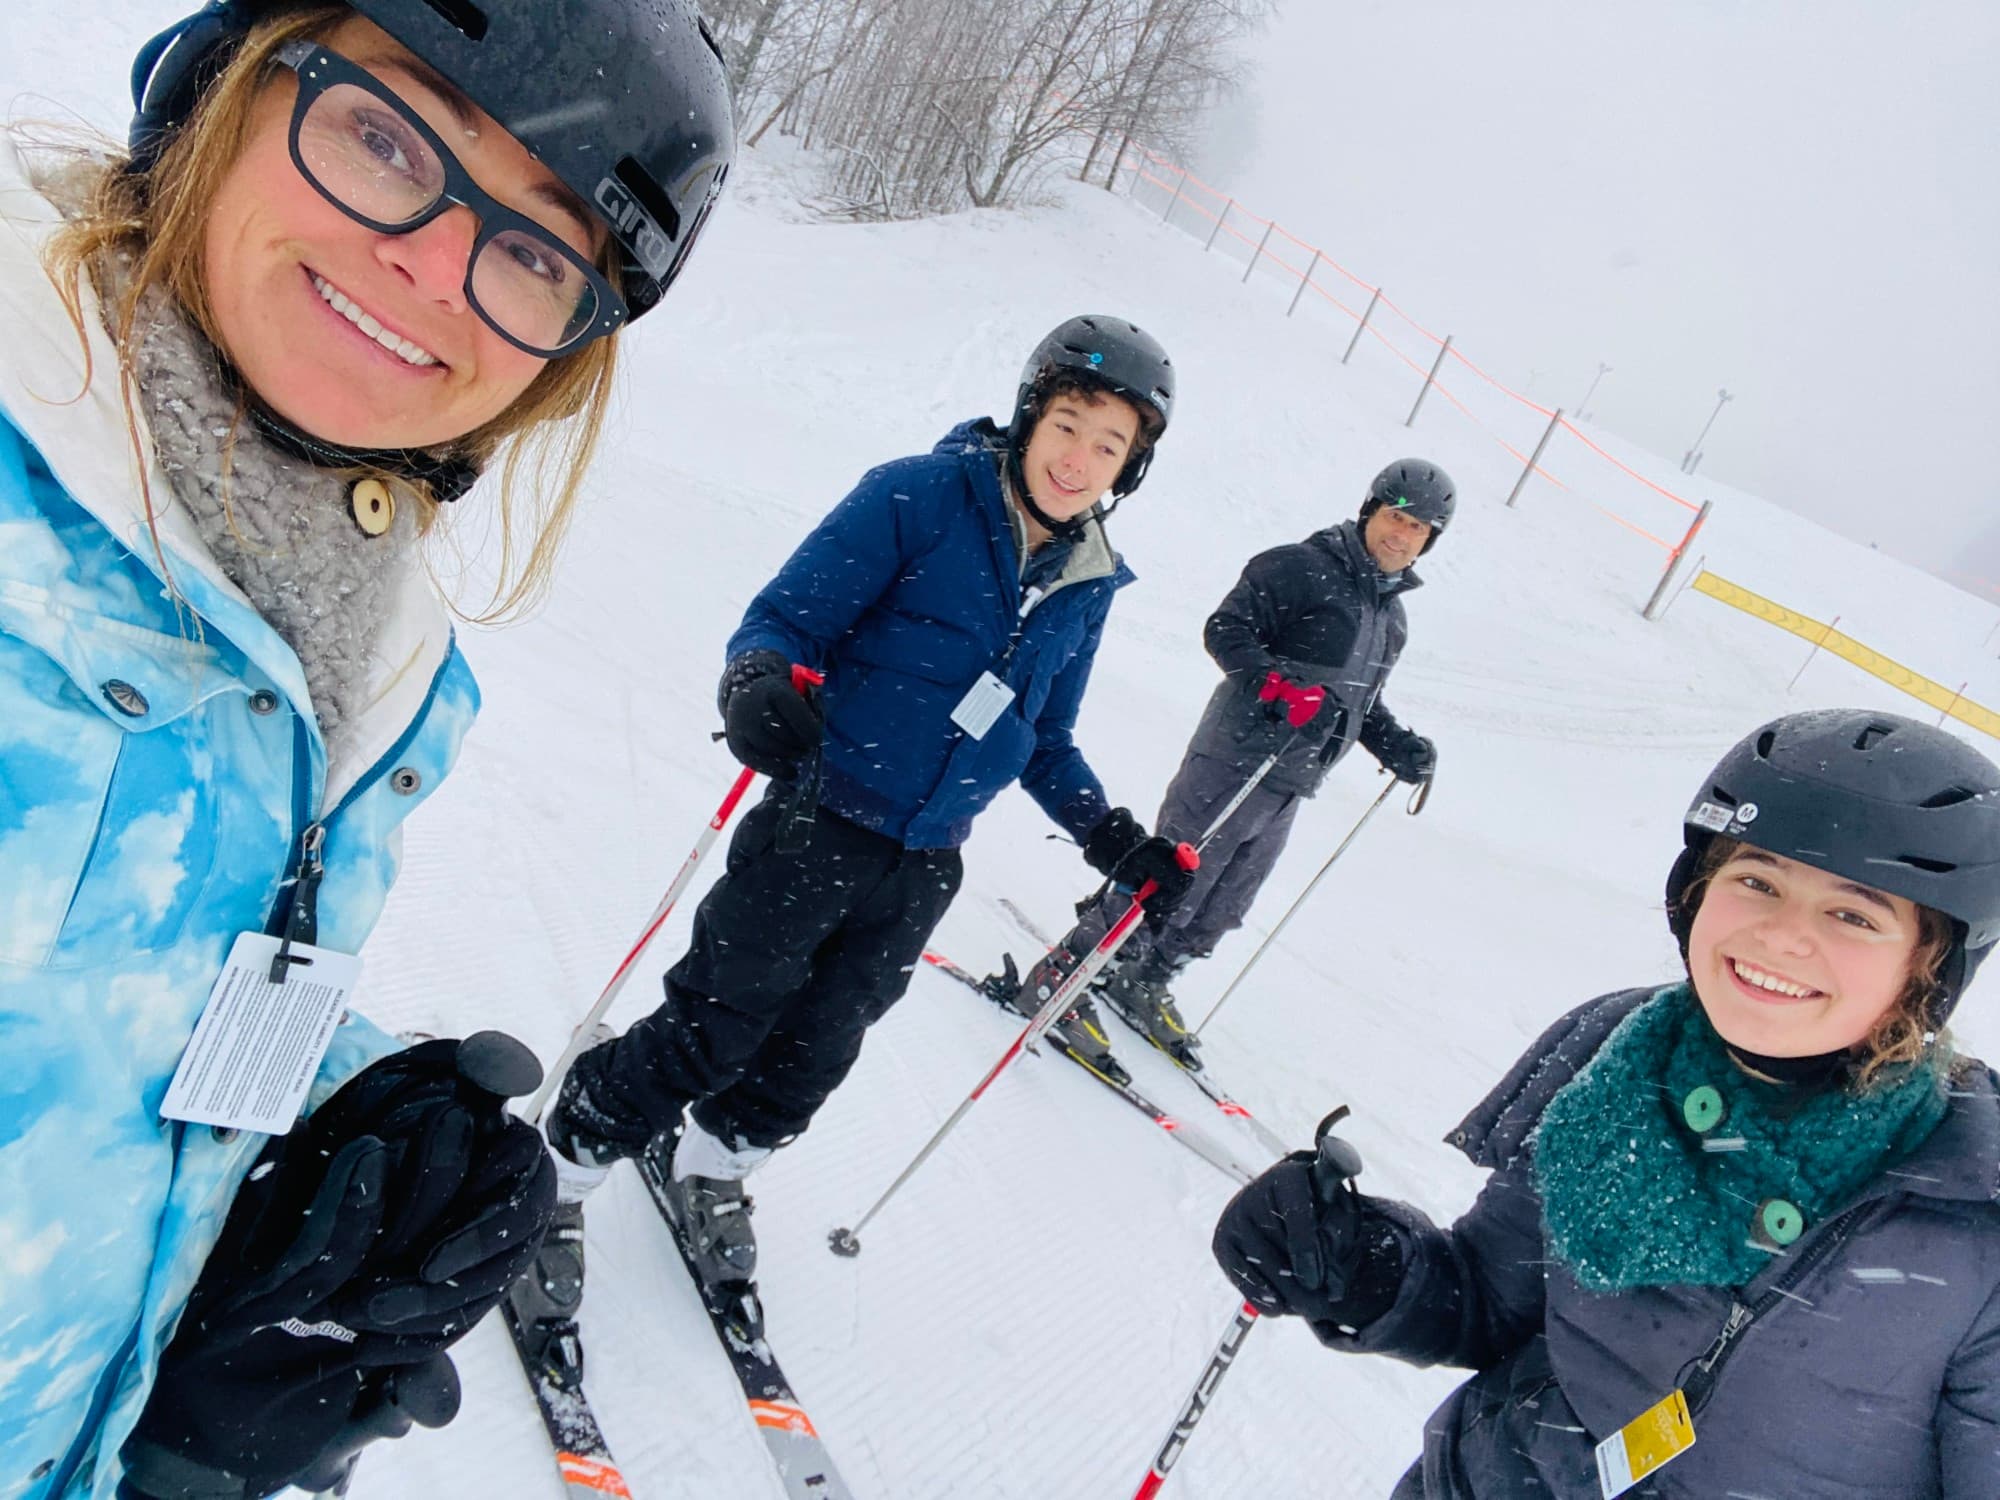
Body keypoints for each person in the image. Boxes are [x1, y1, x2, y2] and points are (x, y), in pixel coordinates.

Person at [0, 2, 732, 1496]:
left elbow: (104, 978)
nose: (434, 265)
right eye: (389, 138)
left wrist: (331, 1116)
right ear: (226, 91)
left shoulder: (386, 667)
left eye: (536, 251)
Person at [517, 315, 1194, 1365]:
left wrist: (1111, 835)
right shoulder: (916, 498)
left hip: (922, 861)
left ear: (1129, 467)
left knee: (816, 1047)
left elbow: (1041, 734)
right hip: (816, 814)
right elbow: (782, 622)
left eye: (1109, 447)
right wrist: (754, 685)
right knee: (715, 1022)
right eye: (1068, 424)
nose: (1078, 459)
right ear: (1028, 415)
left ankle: (714, 1165)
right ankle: (558, 1171)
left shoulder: (1089, 581)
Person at [1211, 709, 2000, 1497]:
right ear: (1695, 893)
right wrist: (1356, 1266)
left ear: (1928, 967)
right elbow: (1491, 1300)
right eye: (1757, 880)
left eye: (1854, 914)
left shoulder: (1974, 1208)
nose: (1781, 935)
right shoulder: (1619, 1054)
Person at [1007, 459, 1446, 1075]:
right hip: (1236, 758)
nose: (1400, 535)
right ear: (1370, 510)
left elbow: (1359, 704)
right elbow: (1226, 629)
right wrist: (1275, 684)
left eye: (1418, 528)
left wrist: (1396, 744)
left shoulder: (1391, 620)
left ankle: (1143, 977)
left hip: (1293, 781)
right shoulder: (1300, 567)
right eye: (1395, 517)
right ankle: (1064, 976)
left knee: (1225, 902)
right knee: (1169, 879)